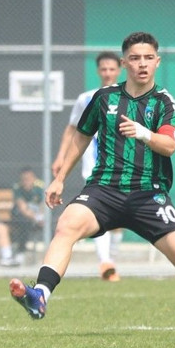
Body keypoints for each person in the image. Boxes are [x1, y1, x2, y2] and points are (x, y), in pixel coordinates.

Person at [10, 31, 175, 335]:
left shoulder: (164, 102)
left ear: (157, 62)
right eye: (135, 58)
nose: (142, 64)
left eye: (148, 58)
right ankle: (40, 295)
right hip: (104, 190)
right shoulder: (104, 97)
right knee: (66, 226)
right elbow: (81, 136)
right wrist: (60, 178)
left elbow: (170, 145)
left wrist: (143, 133)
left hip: (148, 194)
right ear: (124, 63)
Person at [53, 51, 123, 282]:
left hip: (123, 167)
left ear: (119, 70)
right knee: (101, 214)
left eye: (111, 69)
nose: (107, 73)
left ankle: (111, 260)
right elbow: (72, 129)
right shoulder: (86, 99)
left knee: (119, 219)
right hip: (95, 168)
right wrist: (61, 157)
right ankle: (105, 262)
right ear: (98, 71)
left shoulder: (129, 97)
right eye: (103, 69)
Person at [10, 166, 45, 257]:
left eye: (29, 179)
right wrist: (36, 218)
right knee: (23, 223)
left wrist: (41, 217)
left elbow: (44, 204)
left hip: (40, 216)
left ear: (34, 178)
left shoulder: (40, 187)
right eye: (24, 179)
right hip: (24, 217)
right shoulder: (17, 188)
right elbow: (23, 208)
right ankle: (20, 252)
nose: (26, 182)